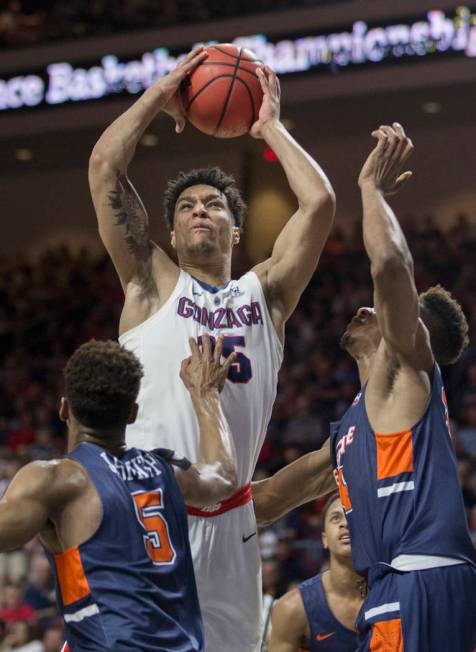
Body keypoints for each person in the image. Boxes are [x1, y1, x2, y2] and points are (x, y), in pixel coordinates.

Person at [89, 45, 335, 651]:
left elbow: (321, 204)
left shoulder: (266, 293)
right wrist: (159, 92)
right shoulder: (150, 283)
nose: (201, 210)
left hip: (232, 525)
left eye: (215, 204)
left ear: (235, 227)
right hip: (152, 507)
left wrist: (270, 127)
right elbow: (103, 169)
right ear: (170, 233)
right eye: (187, 207)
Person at [332, 123, 476, 651]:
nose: (363, 308)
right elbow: (280, 491)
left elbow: (390, 264)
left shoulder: (409, 366)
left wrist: (369, 190)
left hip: (415, 580)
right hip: (418, 583)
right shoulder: (353, 427)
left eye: (379, 310)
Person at [0, 335, 239, 651]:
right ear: (132, 413)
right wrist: (205, 394)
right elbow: (223, 475)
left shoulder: (56, 479)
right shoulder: (167, 469)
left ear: (63, 409)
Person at [268, 493, 361, 652]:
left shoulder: (394, 593)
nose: (345, 523)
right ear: (324, 538)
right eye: (335, 518)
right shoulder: (293, 607)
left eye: (352, 515)